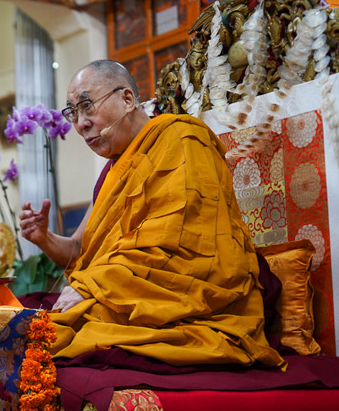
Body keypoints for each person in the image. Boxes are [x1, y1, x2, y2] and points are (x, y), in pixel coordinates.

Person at [19, 60, 284, 368]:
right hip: (127, 292)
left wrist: (94, 285)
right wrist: (45, 238)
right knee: (29, 319)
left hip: (181, 303)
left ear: (128, 99)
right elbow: (79, 251)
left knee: (52, 337)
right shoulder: (113, 172)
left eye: (87, 106)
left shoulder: (182, 140)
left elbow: (180, 247)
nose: (80, 123)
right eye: (73, 113)